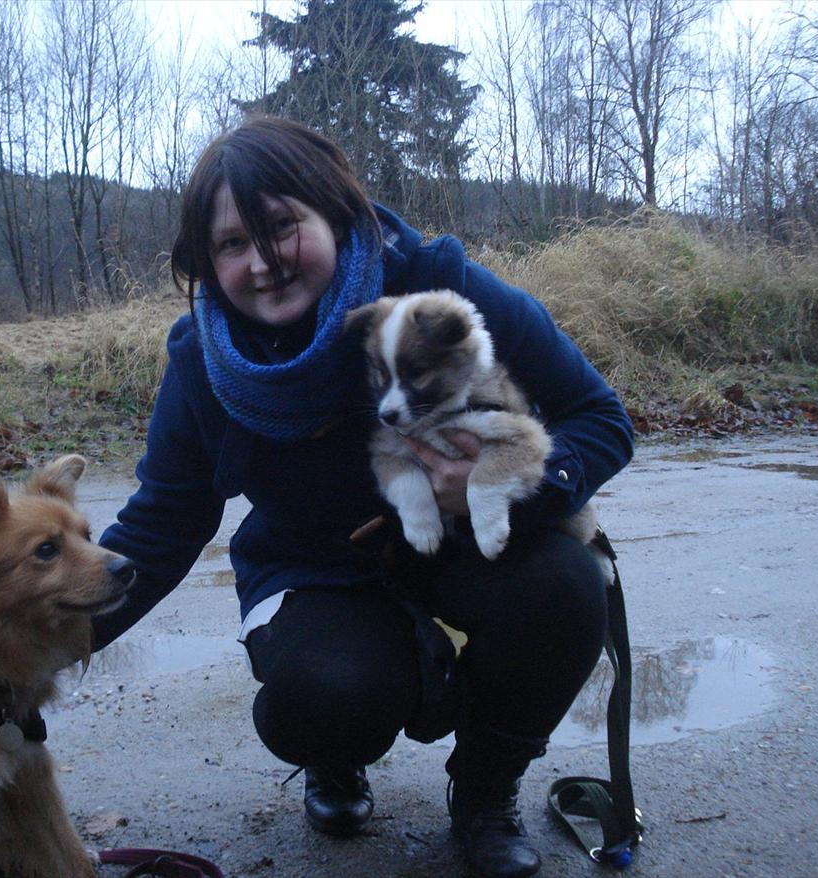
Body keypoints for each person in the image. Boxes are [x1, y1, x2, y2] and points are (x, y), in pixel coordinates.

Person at [92, 116, 634, 878]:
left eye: (282, 227)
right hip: (312, 570)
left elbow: (601, 420)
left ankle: (485, 792)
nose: (262, 262)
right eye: (232, 244)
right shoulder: (202, 367)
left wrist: (512, 483)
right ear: (208, 263)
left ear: (336, 214)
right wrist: (24, 647)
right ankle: (335, 756)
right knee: (326, 694)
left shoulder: (439, 289)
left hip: (458, 549)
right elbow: (161, 526)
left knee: (566, 589)